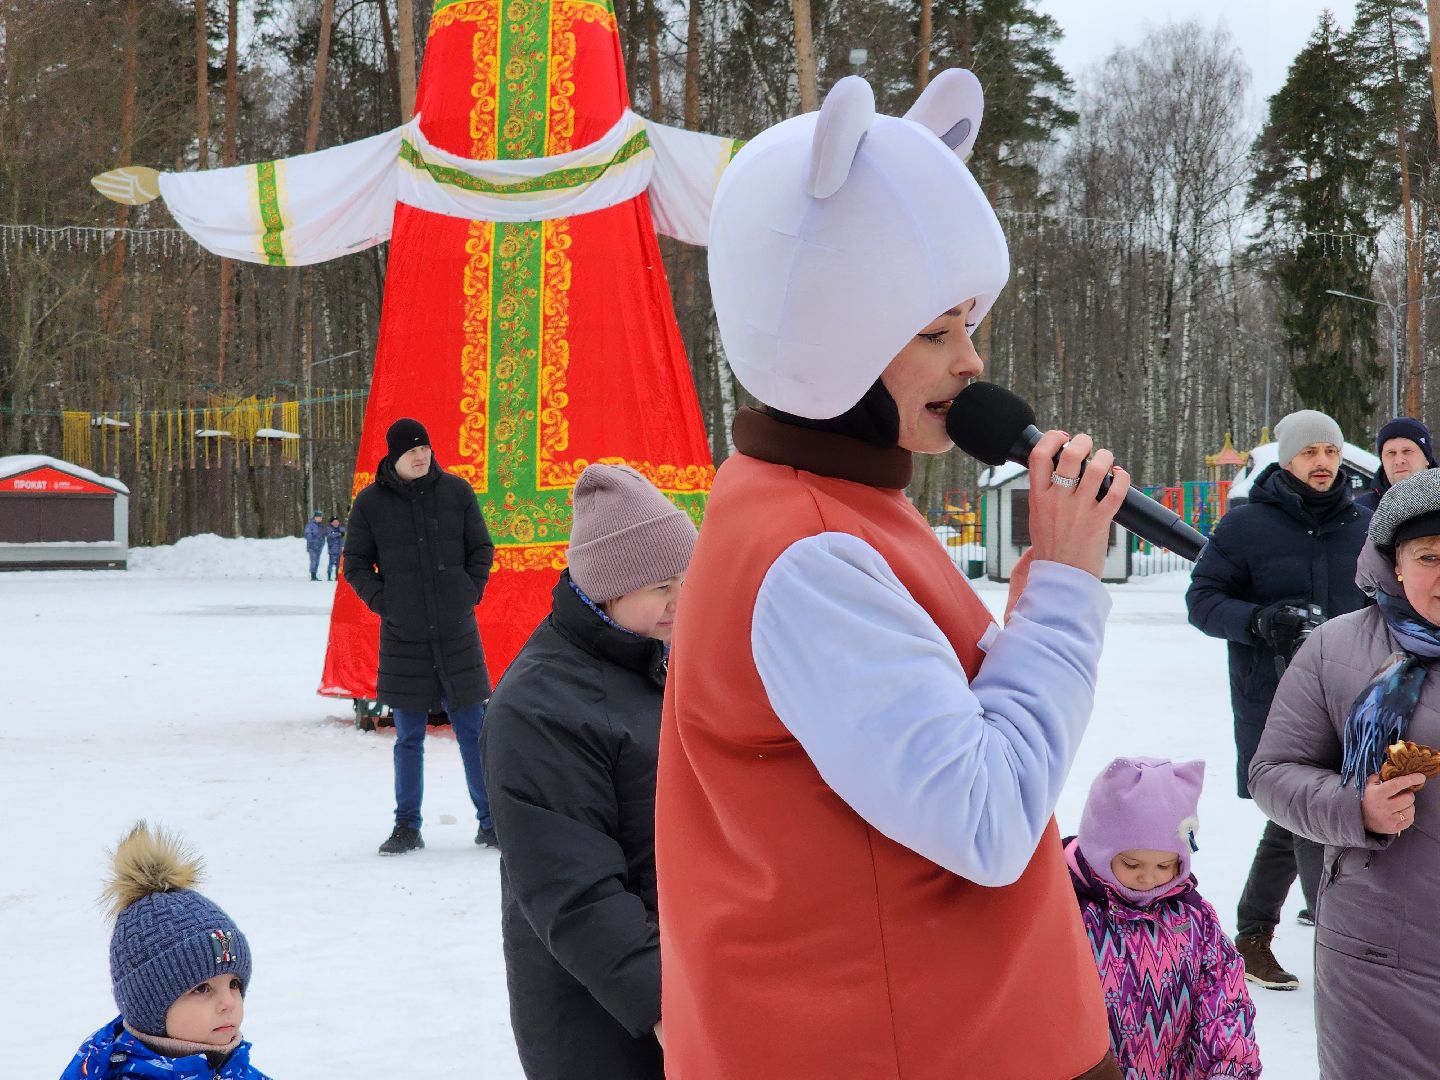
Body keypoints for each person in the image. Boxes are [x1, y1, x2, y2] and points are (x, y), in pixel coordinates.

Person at [655, 71, 1128, 1079]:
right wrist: (1066, 600)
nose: (971, 363)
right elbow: (989, 818)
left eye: (968, 324)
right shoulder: (810, 550)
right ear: (831, 335)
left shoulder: (826, 502)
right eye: (933, 332)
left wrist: (1030, 610)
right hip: (911, 1042)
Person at [481, 463, 696, 1080]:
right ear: (604, 587)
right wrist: (663, 1000)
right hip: (603, 1009)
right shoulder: (540, 706)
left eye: (685, 578)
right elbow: (571, 887)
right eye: (661, 586)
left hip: (676, 972)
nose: (680, 600)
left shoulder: (653, 659)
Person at [1249, 467, 1440, 1077]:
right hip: (1380, 956)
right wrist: (1355, 806)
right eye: (1430, 556)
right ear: (1394, 564)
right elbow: (1273, 771)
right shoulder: (1335, 649)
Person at [1186, 407, 1370, 989]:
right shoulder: (1245, 527)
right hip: (1276, 694)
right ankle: (1342, 954)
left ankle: (1253, 935)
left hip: (1361, 695)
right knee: (1311, 813)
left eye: (1332, 452)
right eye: (1311, 452)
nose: (1323, 462)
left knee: (1306, 818)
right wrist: (1262, 620)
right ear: (1287, 459)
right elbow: (1203, 600)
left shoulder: (1365, 524)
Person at [343, 417, 497, 855]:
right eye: (412, 450)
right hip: (403, 636)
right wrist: (384, 602)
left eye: (425, 447)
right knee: (408, 736)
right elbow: (354, 562)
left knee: (473, 730)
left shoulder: (456, 492)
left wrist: (468, 591)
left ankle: (491, 822)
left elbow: (481, 549)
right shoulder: (371, 504)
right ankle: (407, 826)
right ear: (394, 456)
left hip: (455, 632)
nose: (421, 455)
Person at [1066, 757, 1261, 1080]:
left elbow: (1224, 1000)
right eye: (1131, 864)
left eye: (1164, 866)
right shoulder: (1069, 913)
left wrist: (1228, 1066)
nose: (1147, 878)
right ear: (1098, 845)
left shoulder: (1193, 918)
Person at [59, 822, 272, 1080]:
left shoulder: (239, 1072)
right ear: (149, 1007)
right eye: (201, 988)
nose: (229, 1003)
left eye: (235, 984)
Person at [1355, 417, 1436, 512]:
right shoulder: (1360, 512)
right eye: (1391, 453)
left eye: (1407, 451)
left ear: (1426, 458)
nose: (1398, 461)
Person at [304, 510, 325, 581]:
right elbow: (308, 535)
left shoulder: (320, 526)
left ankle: (315, 574)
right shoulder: (310, 525)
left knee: (317, 561)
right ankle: (313, 575)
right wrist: (312, 543)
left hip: (319, 546)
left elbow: (322, 535)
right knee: (314, 560)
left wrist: (322, 543)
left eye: (320, 517)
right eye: (318, 517)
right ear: (315, 517)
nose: (319, 519)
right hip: (312, 547)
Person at [324, 515, 345, 581]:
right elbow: (330, 535)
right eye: (334, 522)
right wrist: (339, 534)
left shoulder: (340, 528)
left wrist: (341, 531)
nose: (336, 523)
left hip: (339, 550)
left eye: (337, 522)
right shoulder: (329, 528)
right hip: (332, 550)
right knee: (331, 563)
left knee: (338, 565)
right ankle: (329, 576)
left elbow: (344, 531)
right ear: (331, 523)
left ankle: (337, 577)